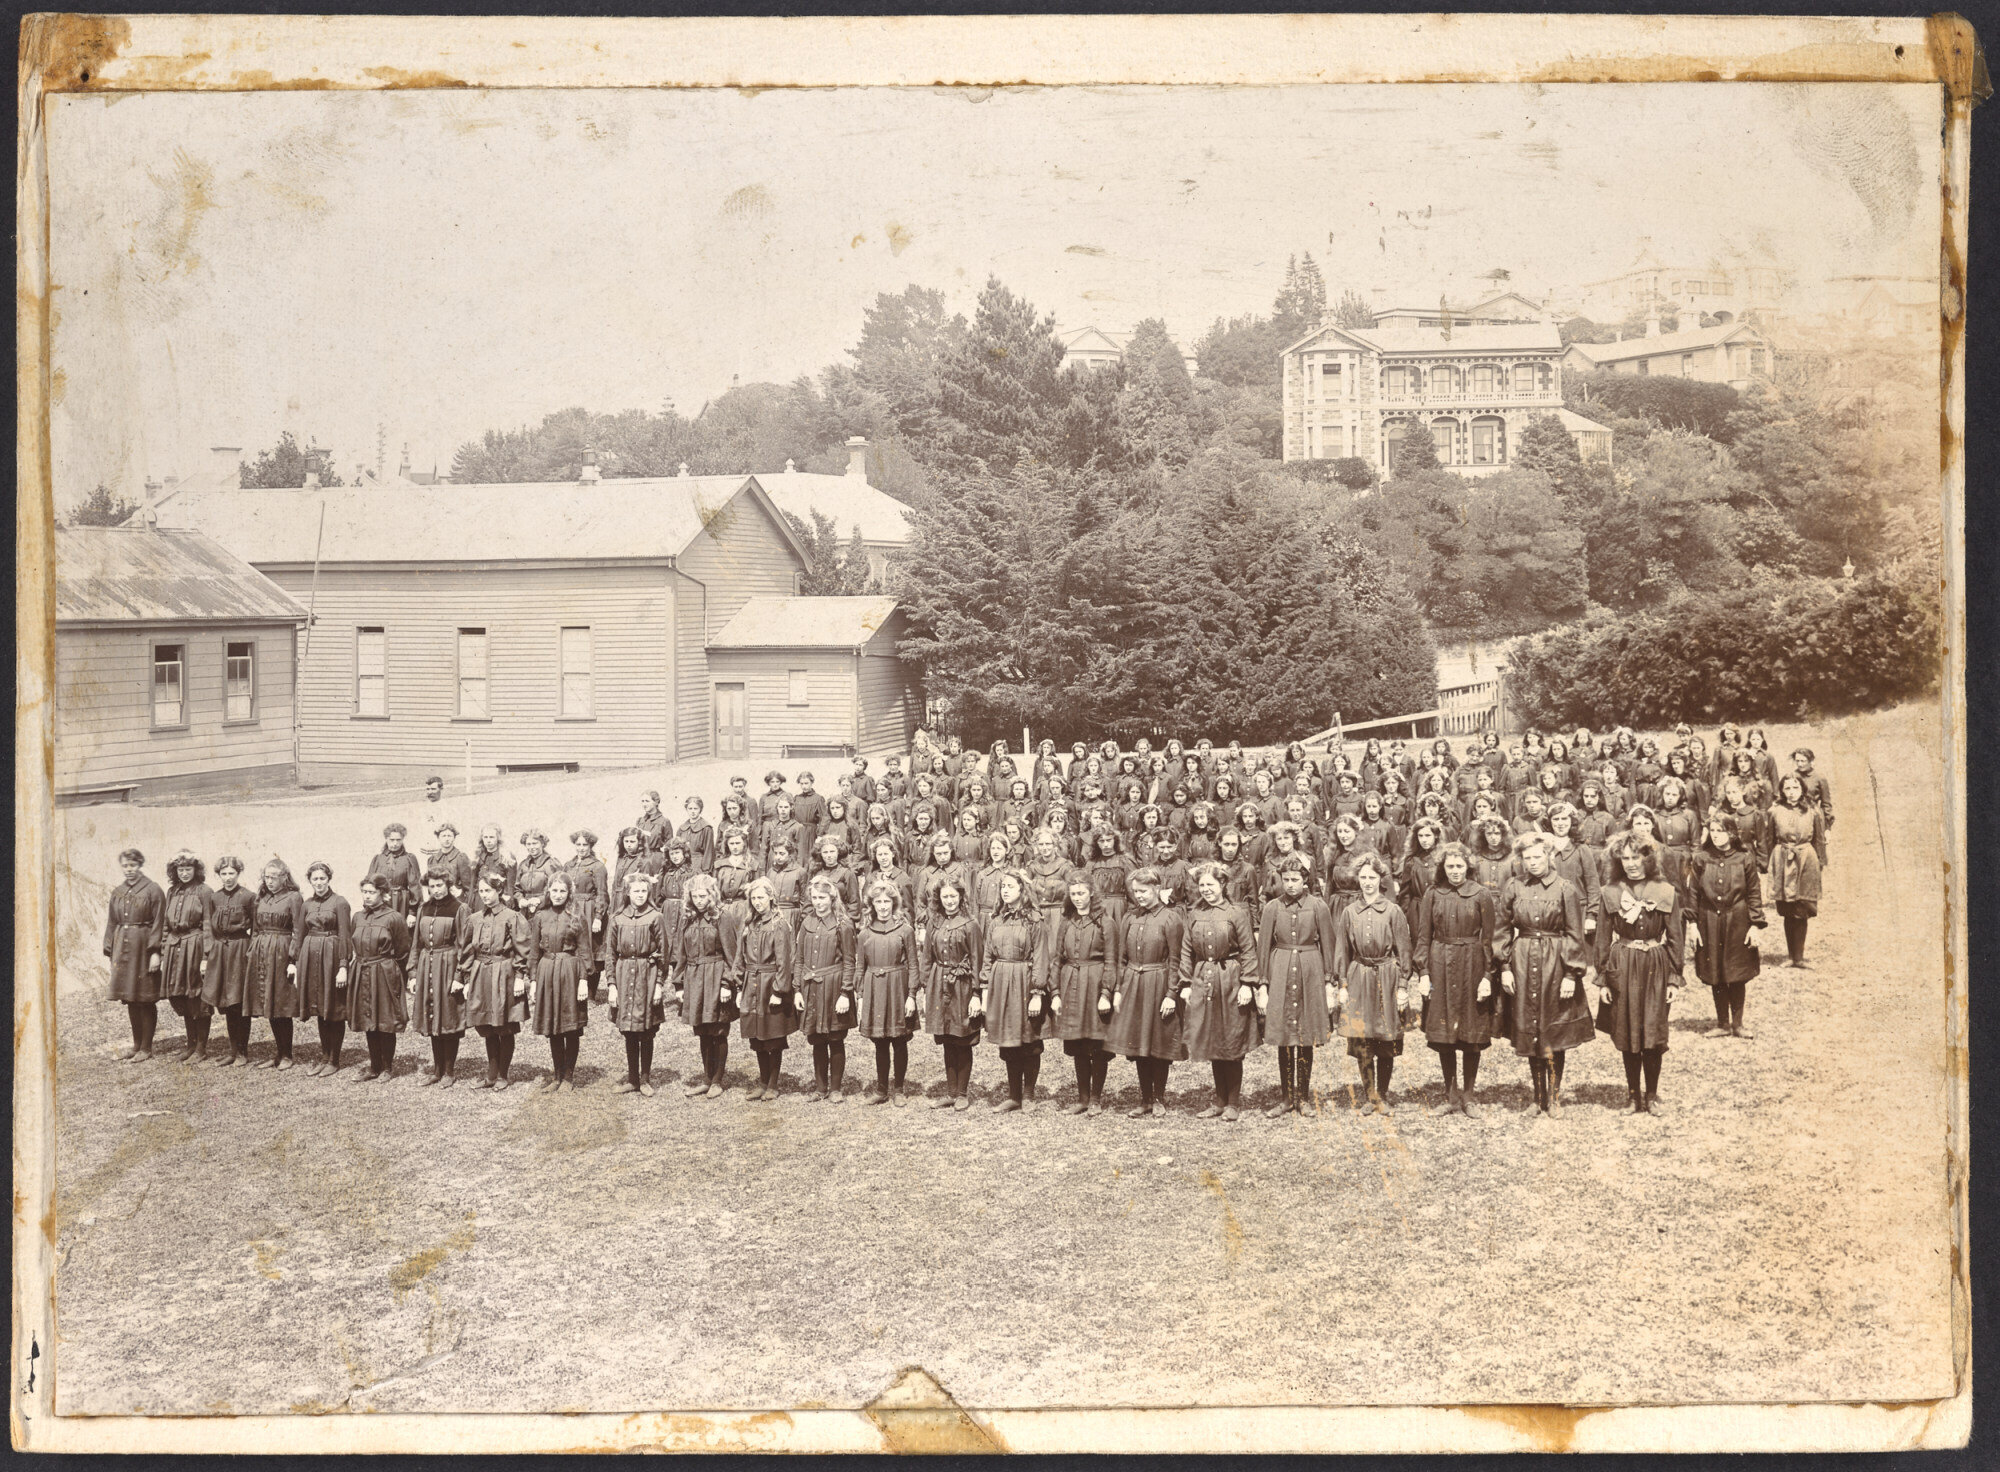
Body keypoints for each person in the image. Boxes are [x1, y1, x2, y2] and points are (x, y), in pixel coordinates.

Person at [1494, 831, 1593, 1117]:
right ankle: (1536, 1098)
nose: (1533, 863)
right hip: (1522, 961)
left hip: (1555, 962)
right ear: (1521, 860)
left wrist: (1571, 975)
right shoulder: (1513, 886)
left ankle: (1555, 1097)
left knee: (1553, 1030)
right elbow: (1501, 929)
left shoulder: (1565, 888)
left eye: (1538, 857)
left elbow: (1575, 934)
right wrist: (1504, 968)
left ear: (1549, 856)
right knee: (1530, 1029)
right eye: (1528, 858)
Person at [1593, 832, 1685, 1115]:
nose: (1631, 863)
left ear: (1648, 858)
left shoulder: (1665, 890)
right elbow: (1602, 939)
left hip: (1655, 966)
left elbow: (1675, 938)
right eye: (1626, 858)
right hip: (1623, 963)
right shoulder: (1611, 892)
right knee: (1628, 1030)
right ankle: (1633, 1096)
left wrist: (1673, 977)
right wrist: (1604, 980)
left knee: (1653, 1031)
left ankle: (1652, 1095)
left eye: (1637, 857)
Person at [1414, 843, 1498, 1117]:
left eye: (1459, 866)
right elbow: (1424, 937)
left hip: (1472, 964)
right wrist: (1424, 973)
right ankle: (1451, 1096)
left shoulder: (1481, 894)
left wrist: (1487, 976)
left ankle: (1469, 1096)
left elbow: (1489, 940)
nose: (1455, 871)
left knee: (1471, 1031)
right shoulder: (1433, 894)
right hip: (1440, 964)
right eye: (1450, 866)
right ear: (1442, 868)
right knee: (1445, 1032)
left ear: (1468, 867)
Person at [1178, 861, 1262, 1121]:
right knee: (1214, 1040)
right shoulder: (1193, 913)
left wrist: (1248, 983)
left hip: (1231, 980)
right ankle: (1219, 1100)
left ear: (1223, 885)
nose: (1206, 890)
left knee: (1232, 1041)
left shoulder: (1236, 912)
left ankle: (1233, 1103)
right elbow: (1186, 950)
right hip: (1205, 979)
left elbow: (1248, 949)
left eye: (1210, 885)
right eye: (1202, 885)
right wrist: (1184, 984)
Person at [1334, 851, 1414, 1114]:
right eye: (1363, 877)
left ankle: (1383, 1094)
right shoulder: (1349, 912)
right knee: (1364, 1038)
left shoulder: (1392, 910)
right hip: (1359, 977)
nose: (1367, 882)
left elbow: (1404, 951)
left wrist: (1402, 986)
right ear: (1357, 879)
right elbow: (1342, 951)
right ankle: (1369, 1096)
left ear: (1381, 879)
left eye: (1373, 877)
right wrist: (1343, 985)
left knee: (1385, 1038)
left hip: (1386, 977)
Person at [1257, 854, 1335, 1117]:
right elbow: (1263, 948)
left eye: (1295, 879)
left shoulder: (1318, 906)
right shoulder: (1272, 908)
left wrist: (1327, 981)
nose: (1290, 885)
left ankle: (1302, 1096)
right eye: (1286, 879)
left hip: (1309, 970)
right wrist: (1263, 984)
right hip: (1280, 969)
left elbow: (1328, 944)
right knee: (1284, 1038)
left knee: (1304, 1037)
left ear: (1305, 880)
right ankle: (1286, 1097)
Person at [1108, 866, 1186, 1117]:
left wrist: (1171, 994)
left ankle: (1159, 1097)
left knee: (1158, 1042)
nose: (1139, 896)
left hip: (1159, 982)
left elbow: (1176, 959)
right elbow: (1121, 958)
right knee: (1139, 1042)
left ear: (1156, 889)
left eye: (1144, 891)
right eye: (1135, 892)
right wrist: (1118, 989)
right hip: (1133, 983)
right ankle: (1144, 1099)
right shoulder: (1129, 918)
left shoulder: (1170, 918)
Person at [1688, 814, 1766, 1039]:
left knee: (1736, 971)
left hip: (1738, 921)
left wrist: (1755, 925)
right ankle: (1722, 1023)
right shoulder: (1701, 858)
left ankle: (1738, 1024)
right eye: (1712, 830)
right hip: (1709, 920)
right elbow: (1692, 893)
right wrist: (1693, 924)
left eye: (1720, 831)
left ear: (1732, 833)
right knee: (1716, 972)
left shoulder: (1745, 858)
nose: (1716, 835)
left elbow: (1754, 893)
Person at [1047, 876, 1117, 1116]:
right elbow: (1057, 958)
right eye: (1073, 894)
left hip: (1095, 983)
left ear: (1092, 894)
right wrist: (1054, 992)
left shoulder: (1105, 923)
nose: (1077, 898)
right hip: (1071, 984)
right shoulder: (1066, 922)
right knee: (1077, 1044)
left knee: (1096, 1043)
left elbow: (1111, 961)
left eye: (1082, 893)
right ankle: (1082, 1098)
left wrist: (1106, 992)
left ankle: (1096, 1099)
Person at [978, 868, 1047, 1112]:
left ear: (1022, 890)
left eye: (1010, 886)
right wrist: (985, 990)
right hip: (1000, 982)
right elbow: (987, 956)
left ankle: (1028, 1095)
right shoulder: (996, 920)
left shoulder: (1034, 920)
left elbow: (1040, 957)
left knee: (1028, 1039)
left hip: (1024, 982)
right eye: (1002, 887)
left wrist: (1037, 994)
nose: (1005, 891)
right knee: (1008, 1040)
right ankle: (1014, 1095)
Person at [855, 878, 922, 1106]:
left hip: (898, 987)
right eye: (878, 902)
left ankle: (900, 1089)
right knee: (880, 1042)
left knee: (899, 1040)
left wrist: (912, 995)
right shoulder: (864, 934)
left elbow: (913, 964)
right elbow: (859, 967)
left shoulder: (905, 930)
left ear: (894, 904)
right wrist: (861, 997)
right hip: (874, 988)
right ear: (871, 905)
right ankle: (882, 1089)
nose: (883, 906)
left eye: (887, 902)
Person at [460, 873, 528, 1091]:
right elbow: (468, 951)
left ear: (499, 891)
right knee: (487, 1024)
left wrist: (519, 977)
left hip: (504, 973)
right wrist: (468, 979)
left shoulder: (512, 917)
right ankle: (491, 1073)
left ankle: (503, 1075)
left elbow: (523, 950)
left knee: (504, 1025)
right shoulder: (474, 918)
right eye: (481, 891)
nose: (485, 895)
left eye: (488, 890)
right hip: (481, 973)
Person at [921, 876, 984, 1110]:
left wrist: (977, 994)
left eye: (953, 896)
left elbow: (977, 960)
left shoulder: (970, 924)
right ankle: (950, 1091)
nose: (949, 901)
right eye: (945, 896)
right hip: (939, 984)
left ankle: (962, 1093)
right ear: (939, 898)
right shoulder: (934, 923)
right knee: (947, 1038)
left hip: (963, 985)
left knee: (962, 1038)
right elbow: (927, 957)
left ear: (961, 897)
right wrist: (926, 986)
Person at [524, 872, 591, 1091]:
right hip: (546, 972)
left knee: (570, 1027)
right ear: (548, 892)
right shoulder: (540, 917)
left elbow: (584, 951)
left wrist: (583, 980)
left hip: (570, 972)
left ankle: (569, 1077)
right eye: (554, 890)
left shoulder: (577, 916)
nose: (558, 895)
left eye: (563, 891)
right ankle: (557, 1076)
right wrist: (533, 981)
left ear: (569, 893)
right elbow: (534, 952)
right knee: (553, 1026)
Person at [675, 874, 739, 1099]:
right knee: (703, 1030)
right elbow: (681, 954)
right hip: (694, 978)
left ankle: (717, 1080)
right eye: (695, 896)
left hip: (716, 976)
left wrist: (727, 984)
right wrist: (679, 984)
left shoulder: (722, 917)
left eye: (703, 896)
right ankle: (706, 1077)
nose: (699, 900)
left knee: (718, 1030)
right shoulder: (687, 918)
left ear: (712, 895)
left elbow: (732, 955)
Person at [795, 874, 858, 1102]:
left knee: (834, 1037)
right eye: (814, 897)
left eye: (822, 897)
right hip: (811, 987)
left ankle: (835, 1089)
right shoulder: (806, 923)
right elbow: (799, 959)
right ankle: (820, 1088)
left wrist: (845, 994)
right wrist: (797, 990)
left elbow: (850, 961)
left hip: (834, 987)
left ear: (832, 899)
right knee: (817, 1039)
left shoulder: (843, 924)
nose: (818, 902)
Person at [736, 877, 796, 1101]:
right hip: (751, 983)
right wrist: (738, 984)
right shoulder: (750, 923)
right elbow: (739, 956)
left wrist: (779, 991)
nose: (757, 901)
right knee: (757, 1036)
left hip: (770, 984)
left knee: (773, 1036)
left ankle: (773, 1083)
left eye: (761, 897)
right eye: (753, 898)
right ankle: (762, 1081)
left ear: (771, 897)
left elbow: (784, 961)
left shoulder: (779, 923)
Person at [244, 858, 307, 1070]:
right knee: (268, 1002)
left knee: (280, 1003)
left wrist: (293, 960)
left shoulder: (293, 897)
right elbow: (255, 929)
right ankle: (278, 1053)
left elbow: (298, 930)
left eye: (274, 877)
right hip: (262, 952)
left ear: (284, 878)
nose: (269, 881)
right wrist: (253, 950)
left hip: (281, 951)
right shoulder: (260, 898)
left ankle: (287, 1054)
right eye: (267, 877)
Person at [408, 869, 470, 1087]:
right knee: (432, 1015)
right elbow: (416, 943)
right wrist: (413, 973)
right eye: (431, 886)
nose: (435, 890)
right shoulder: (423, 908)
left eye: (439, 885)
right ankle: (437, 1069)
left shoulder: (460, 908)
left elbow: (464, 946)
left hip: (449, 965)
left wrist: (459, 976)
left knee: (448, 1015)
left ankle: (449, 1071)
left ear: (448, 884)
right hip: (427, 965)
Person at [104, 848, 165, 1062]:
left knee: (144, 998)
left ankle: (146, 1048)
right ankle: (136, 1045)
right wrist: (111, 949)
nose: (129, 870)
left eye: (133, 865)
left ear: (140, 865)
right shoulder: (118, 891)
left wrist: (156, 952)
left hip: (143, 948)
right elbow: (112, 921)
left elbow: (160, 922)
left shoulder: (153, 889)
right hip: (123, 947)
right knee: (130, 998)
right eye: (125, 866)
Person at [347, 875, 411, 1082]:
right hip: (362, 970)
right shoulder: (357, 917)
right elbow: (352, 942)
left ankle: (387, 1067)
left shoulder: (394, 917)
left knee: (385, 1019)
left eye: (371, 892)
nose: (367, 896)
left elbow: (403, 950)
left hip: (384, 971)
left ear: (383, 894)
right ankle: (374, 1066)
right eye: (364, 892)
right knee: (368, 1018)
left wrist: (394, 974)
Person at [298, 862, 355, 1077]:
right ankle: (323, 1056)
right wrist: (296, 963)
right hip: (310, 957)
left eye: (322, 878)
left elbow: (345, 936)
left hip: (331, 958)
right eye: (315, 879)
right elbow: (301, 933)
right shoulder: (306, 904)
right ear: (310, 881)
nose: (319, 883)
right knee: (319, 1008)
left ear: (329, 879)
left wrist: (343, 967)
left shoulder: (340, 902)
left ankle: (334, 1059)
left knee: (333, 1007)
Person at [1769, 772, 1829, 968]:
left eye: (1795, 787)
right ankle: (1790, 956)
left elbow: (1819, 840)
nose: (1791, 792)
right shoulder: (1775, 810)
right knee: (1788, 909)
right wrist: (1772, 863)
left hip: (1806, 860)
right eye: (1787, 788)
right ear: (1782, 791)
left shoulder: (1813, 810)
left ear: (1802, 789)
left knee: (1802, 909)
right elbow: (1769, 839)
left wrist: (1819, 863)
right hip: (1783, 860)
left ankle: (1799, 958)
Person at [158, 851, 213, 1063]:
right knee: (180, 995)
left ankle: (201, 1047)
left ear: (196, 870)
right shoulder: (172, 891)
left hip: (195, 945)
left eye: (188, 869)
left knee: (196, 995)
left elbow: (208, 924)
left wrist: (206, 956)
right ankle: (190, 1045)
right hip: (174, 947)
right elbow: (165, 924)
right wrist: (164, 951)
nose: (184, 873)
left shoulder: (204, 891)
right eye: (180, 869)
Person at [202, 857, 257, 1066]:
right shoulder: (214, 897)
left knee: (238, 1002)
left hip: (240, 950)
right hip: (220, 952)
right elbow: (208, 926)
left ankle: (243, 1052)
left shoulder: (248, 897)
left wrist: (250, 951)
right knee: (226, 1001)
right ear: (218, 875)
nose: (227, 878)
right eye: (223, 874)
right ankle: (233, 1051)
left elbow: (257, 928)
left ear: (238, 874)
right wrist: (208, 954)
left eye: (231, 873)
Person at [565, 830, 611, 1001]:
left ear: (591, 846)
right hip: (571, 909)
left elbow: (602, 894)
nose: (581, 848)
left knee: (590, 948)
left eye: (585, 845)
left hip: (589, 911)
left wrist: (599, 916)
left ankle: (591, 993)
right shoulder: (568, 865)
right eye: (578, 844)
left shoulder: (598, 866)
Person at [363, 824, 423, 918]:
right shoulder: (378, 859)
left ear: (403, 839)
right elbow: (369, 885)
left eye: (398, 840)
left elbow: (415, 886)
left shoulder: (409, 859)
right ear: (386, 839)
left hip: (401, 903)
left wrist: (412, 913)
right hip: (381, 902)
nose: (395, 843)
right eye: (392, 840)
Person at [611, 826, 664, 908]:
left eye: (632, 842)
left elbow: (646, 888)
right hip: (617, 900)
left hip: (631, 902)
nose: (628, 845)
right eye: (626, 841)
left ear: (639, 842)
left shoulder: (644, 862)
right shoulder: (621, 858)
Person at [513, 828, 561, 916]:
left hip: (546, 910)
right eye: (528, 844)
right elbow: (517, 889)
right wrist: (520, 899)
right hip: (525, 911)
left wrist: (540, 900)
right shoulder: (523, 865)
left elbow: (558, 889)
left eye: (535, 843)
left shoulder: (551, 863)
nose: (531, 847)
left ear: (542, 844)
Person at [471, 825, 516, 907]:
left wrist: (509, 902)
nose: (488, 840)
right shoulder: (477, 856)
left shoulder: (507, 857)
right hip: (480, 901)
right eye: (486, 837)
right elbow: (472, 884)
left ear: (498, 838)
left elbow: (510, 885)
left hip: (500, 900)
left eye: (491, 837)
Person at [635, 789, 674, 855]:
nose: (644, 804)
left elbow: (670, 844)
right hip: (640, 856)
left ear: (656, 802)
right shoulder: (640, 821)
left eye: (647, 801)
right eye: (642, 801)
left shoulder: (664, 821)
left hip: (656, 858)